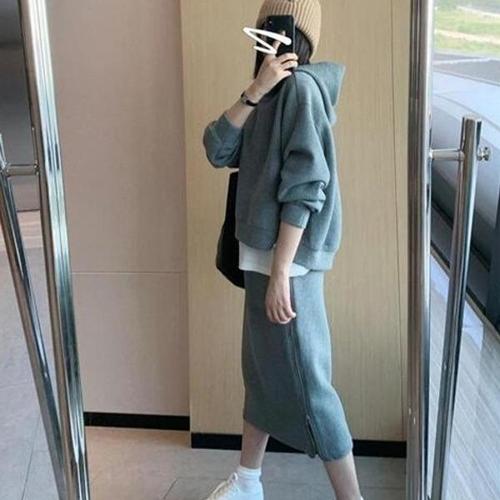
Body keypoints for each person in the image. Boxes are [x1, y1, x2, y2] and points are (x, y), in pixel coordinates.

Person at [202, 1, 363, 499]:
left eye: (276, 29)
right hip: (261, 258)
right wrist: (254, 90)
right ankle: (248, 481)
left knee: (310, 386)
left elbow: (306, 187)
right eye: (263, 29)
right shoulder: (268, 93)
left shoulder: (300, 92)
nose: (265, 37)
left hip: (285, 266)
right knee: (262, 376)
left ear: (297, 37)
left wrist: (280, 273)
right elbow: (216, 149)